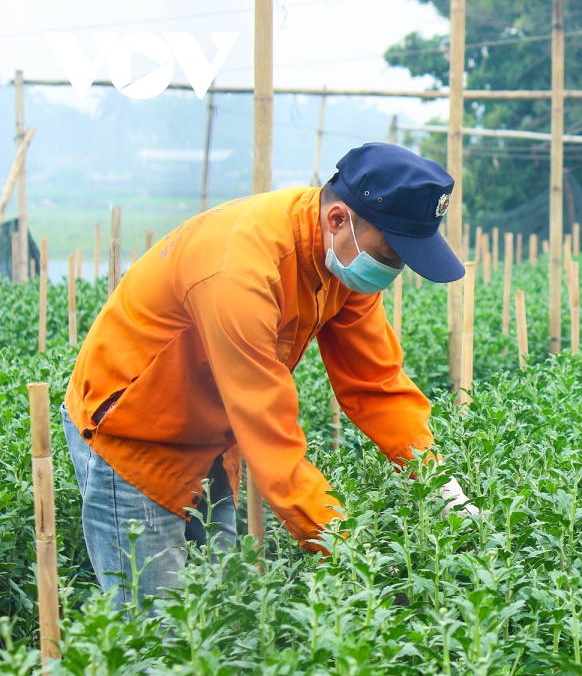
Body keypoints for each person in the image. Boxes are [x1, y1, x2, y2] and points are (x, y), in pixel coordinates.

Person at [63, 142, 478, 607]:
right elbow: (268, 430)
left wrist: (437, 480)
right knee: (155, 632)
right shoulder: (238, 272)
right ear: (339, 219)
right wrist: (339, 540)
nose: (394, 269)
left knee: (219, 613)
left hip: (212, 432)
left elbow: (375, 384)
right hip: (134, 433)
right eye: (391, 254)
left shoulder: (342, 256)